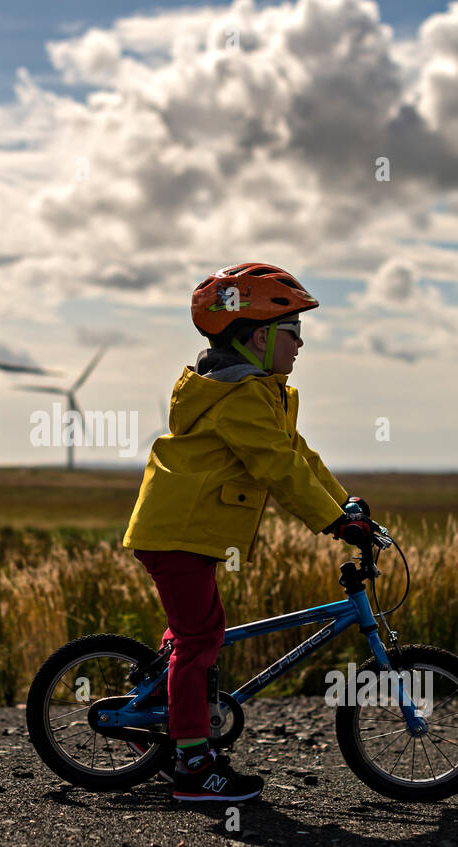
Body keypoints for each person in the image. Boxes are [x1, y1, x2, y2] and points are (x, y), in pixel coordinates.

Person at [122, 262, 373, 803]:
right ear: (260, 337)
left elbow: (298, 456)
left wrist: (343, 503)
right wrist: (332, 521)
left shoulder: (261, 393)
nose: (301, 345)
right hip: (178, 534)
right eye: (294, 333)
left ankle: (169, 717)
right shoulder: (240, 398)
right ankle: (192, 766)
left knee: (196, 631)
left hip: (190, 531)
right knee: (201, 638)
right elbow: (276, 469)